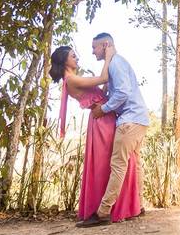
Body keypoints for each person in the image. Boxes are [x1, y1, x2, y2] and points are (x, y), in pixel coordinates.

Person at [48, 40, 142, 223]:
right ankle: (115, 209)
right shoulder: (72, 79)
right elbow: (103, 79)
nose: (77, 58)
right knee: (114, 163)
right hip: (102, 120)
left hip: (103, 117)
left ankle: (122, 207)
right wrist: (109, 56)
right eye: (73, 56)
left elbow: (103, 89)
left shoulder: (74, 78)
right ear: (65, 61)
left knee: (114, 162)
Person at [79, 32, 150, 227]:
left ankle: (103, 212)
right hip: (139, 119)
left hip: (129, 120)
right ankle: (138, 206)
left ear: (105, 45)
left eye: (95, 47)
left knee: (118, 165)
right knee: (134, 164)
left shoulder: (115, 63)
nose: (92, 51)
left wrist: (104, 109)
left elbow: (123, 92)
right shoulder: (117, 62)